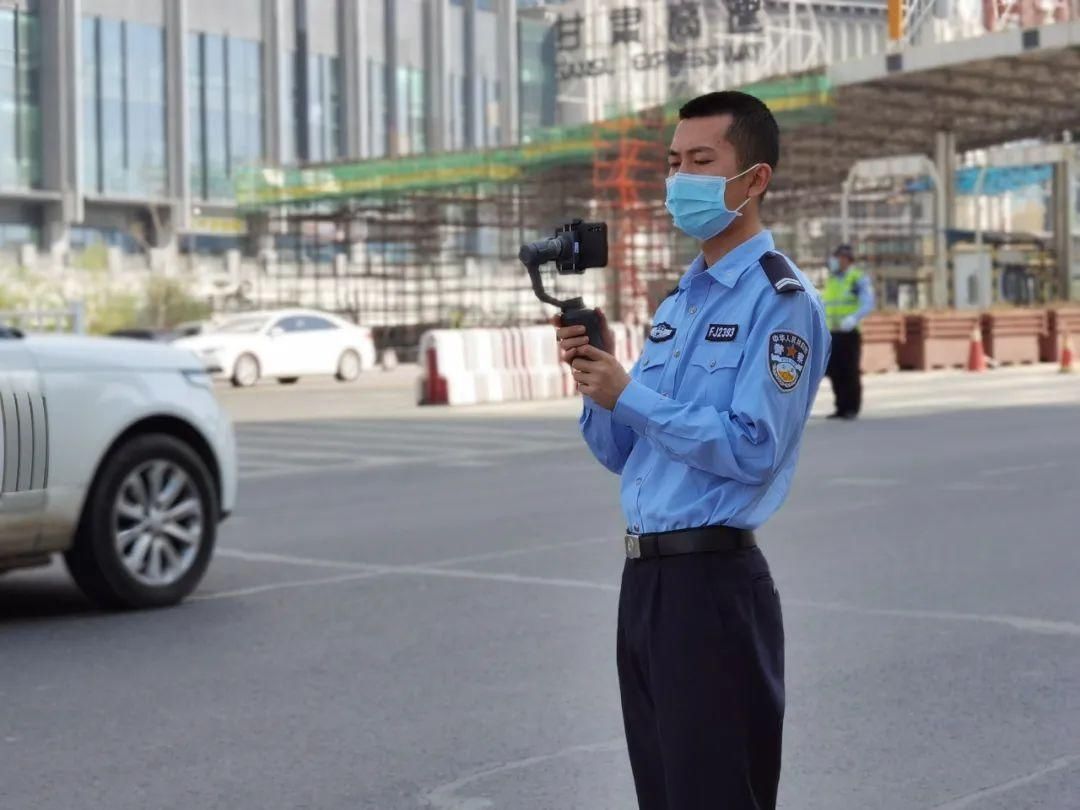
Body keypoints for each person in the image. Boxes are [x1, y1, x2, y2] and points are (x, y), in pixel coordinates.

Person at [554, 91, 830, 810]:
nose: (681, 180)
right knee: (665, 794)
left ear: (754, 180)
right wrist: (598, 378)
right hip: (646, 585)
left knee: (714, 796)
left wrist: (634, 396)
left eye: (702, 162)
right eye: (674, 164)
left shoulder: (780, 300)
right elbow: (625, 451)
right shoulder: (680, 304)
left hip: (713, 587)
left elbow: (753, 448)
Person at [822, 244, 875, 419]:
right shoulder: (832, 279)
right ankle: (840, 407)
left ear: (846, 259)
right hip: (833, 332)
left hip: (850, 332)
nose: (835, 261)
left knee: (849, 370)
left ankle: (852, 407)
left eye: (838, 257)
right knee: (834, 371)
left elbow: (868, 303)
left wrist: (853, 318)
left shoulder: (857, 278)